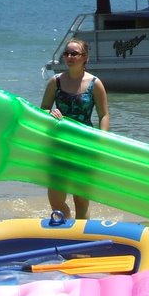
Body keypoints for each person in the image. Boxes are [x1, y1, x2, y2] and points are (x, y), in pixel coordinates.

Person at [39, 39, 110, 219]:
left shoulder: (95, 83)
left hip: (84, 145)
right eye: (67, 53)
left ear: (84, 57)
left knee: (81, 199)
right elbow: (44, 108)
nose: (69, 57)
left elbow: (104, 115)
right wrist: (50, 113)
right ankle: (65, 223)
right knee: (55, 198)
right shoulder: (55, 82)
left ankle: (80, 239)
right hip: (59, 143)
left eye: (74, 54)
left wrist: (102, 142)